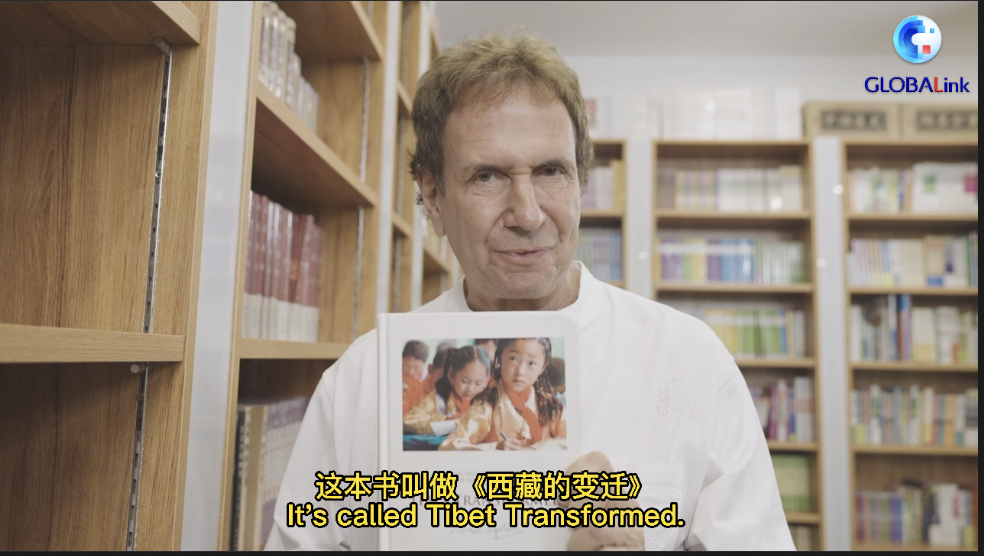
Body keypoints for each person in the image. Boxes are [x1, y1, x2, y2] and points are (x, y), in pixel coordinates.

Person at [267, 31, 794, 551]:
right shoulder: (361, 381)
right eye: (488, 176)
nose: (528, 213)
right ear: (434, 197)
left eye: (550, 171)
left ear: (581, 182)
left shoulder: (690, 361)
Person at [440, 338, 564, 450]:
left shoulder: (551, 405)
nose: (520, 371)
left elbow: (569, 440)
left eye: (531, 363)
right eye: (513, 359)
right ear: (499, 359)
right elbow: (449, 445)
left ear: (543, 367)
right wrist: (494, 448)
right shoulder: (487, 405)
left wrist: (536, 449)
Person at [403, 345, 492, 435]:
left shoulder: (488, 401)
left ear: (487, 379)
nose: (470, 389)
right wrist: (446, 420)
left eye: (478, 383)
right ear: (451, 375)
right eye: (465, 381)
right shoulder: (438, 399)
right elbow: (408, 422)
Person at [403, 344, 452, 415]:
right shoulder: (410, 392)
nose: (448, 383)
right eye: (442, 376)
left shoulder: (459, 397)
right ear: (430, 369)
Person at [400, 340, 429, 417]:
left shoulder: (426, 380)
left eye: (416, 368)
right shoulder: (395, 375)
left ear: (423, 364)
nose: (411, 372)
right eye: (407, 366)